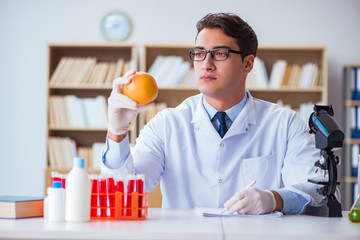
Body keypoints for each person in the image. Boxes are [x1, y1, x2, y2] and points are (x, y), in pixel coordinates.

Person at [101, 12, 330, 215]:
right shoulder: (167, 124)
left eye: (220, 53)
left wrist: (274, 200)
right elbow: (122, 191)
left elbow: (314, 191)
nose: (206, 64)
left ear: (248, 64)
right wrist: (117, 132)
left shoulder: (285, 123)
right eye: (199, 53)